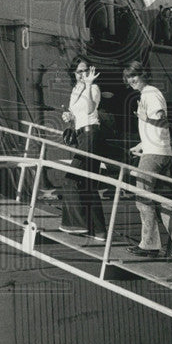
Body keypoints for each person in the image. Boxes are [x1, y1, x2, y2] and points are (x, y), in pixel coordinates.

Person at [122, 61, 172, 261]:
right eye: (128, 77)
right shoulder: (150, 93)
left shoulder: (149, 94)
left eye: (134, 75)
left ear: (143, 74)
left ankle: (150, 244)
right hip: (160, 152)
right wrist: (141, 144)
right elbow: (158, 129)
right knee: (159, 199)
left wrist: (145, 118)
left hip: (154, 155)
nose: (131, 80)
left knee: (142, 197)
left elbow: (161, 119)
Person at [58, 56, 108, 240]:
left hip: (91, 134)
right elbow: (78, 113)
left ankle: (77, 225)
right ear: (74, 73)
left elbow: (88, 110)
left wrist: (88, 84)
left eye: (85, 70)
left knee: (70, 180)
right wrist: (69, 116)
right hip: (81, 135)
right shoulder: (76, 89)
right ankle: (99, 230)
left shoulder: (93, 88)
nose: (82, 74)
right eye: (79, 71)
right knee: (88, 184)